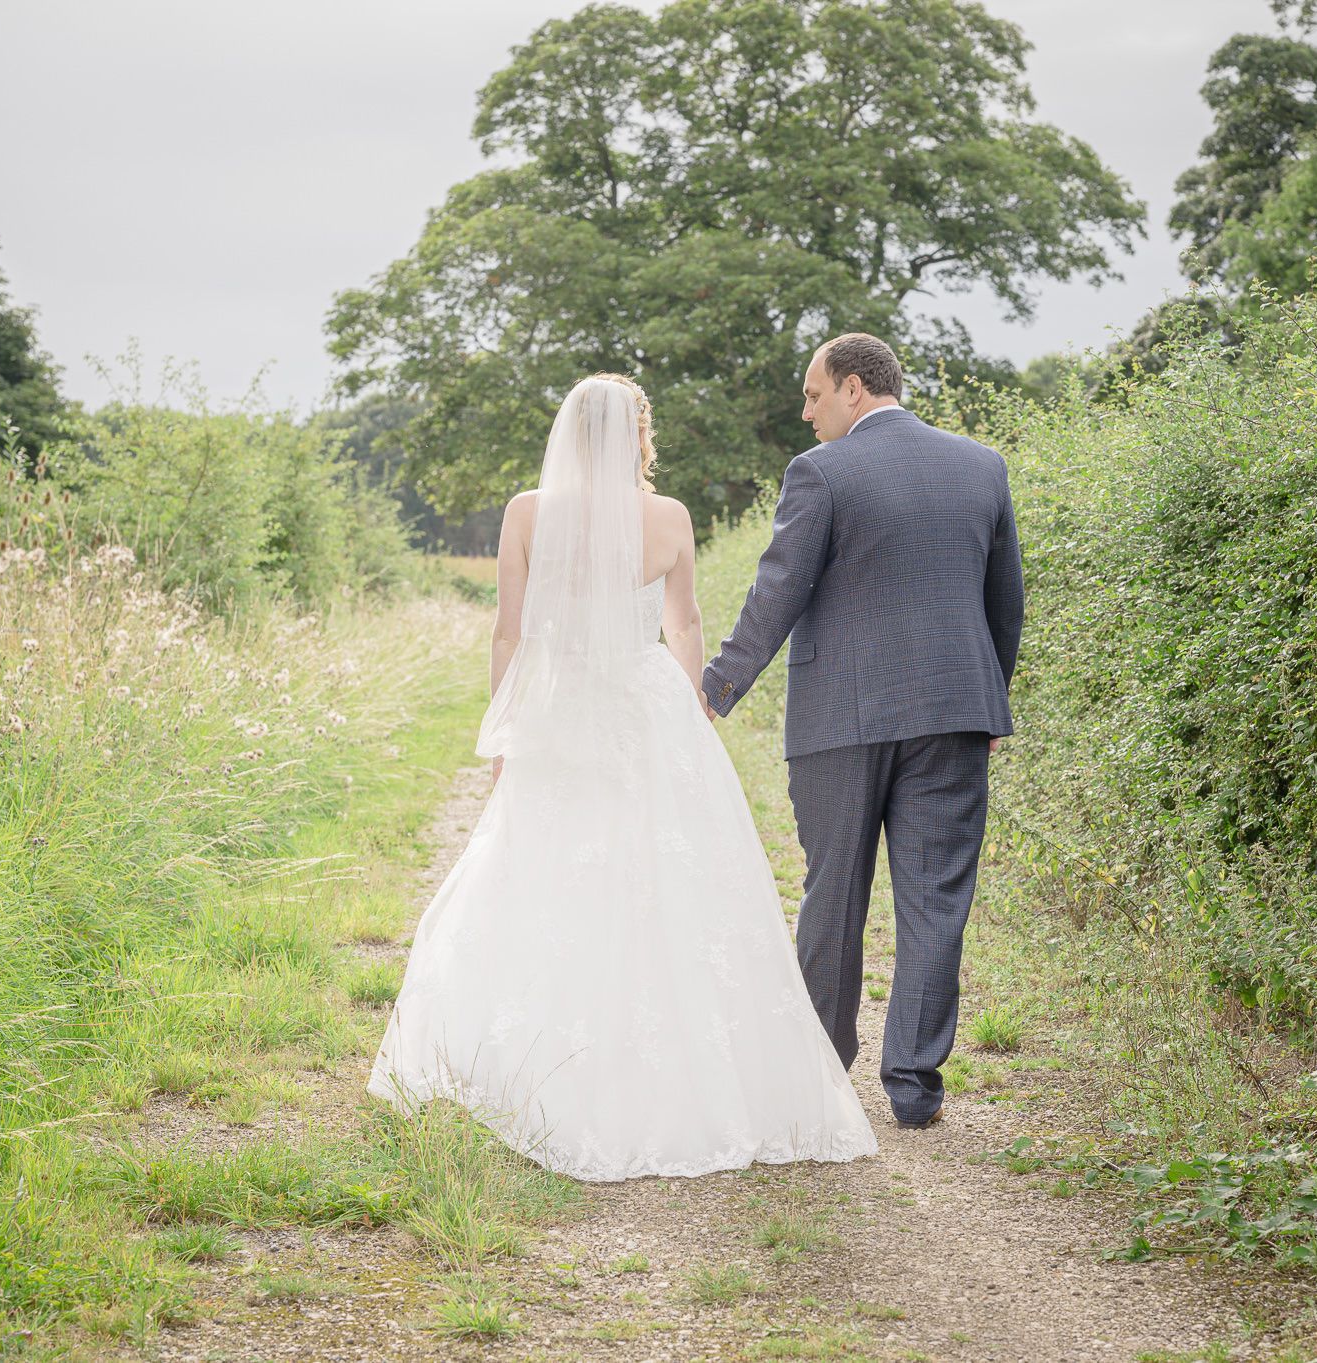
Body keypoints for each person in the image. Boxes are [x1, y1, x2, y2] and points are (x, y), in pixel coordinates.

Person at [368, 373, 878, 1182]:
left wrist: (506, 728)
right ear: (638, 435)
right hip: (645, 704)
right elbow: (685, 626)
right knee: (662, 871)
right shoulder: (668, 518)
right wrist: (691, 714)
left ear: (570, 435)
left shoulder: (527, 513)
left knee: (546, 864)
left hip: (561, 703)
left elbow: (510, 633)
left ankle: (541, 1055)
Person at [702, 333, 1025, 1130]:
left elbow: (777, 589)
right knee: (934, 898)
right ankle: (914, 1086)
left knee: (834, 892)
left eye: (813, 395)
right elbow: (1005, 602)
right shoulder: (981, 464)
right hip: (955, 713)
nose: (807, 413)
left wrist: (717, 686)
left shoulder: (822, 472)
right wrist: (987, 703)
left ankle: (819, 1071)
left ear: (852, 388)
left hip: (840, 720)